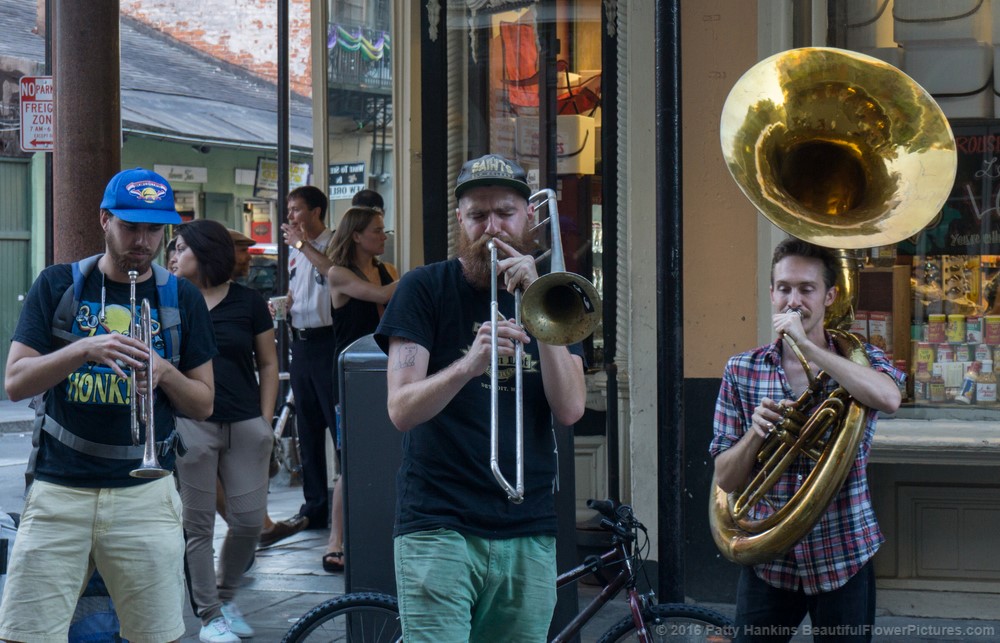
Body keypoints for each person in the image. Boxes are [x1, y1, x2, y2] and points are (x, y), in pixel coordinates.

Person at [374, 153, 586, 641]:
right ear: (460, 222)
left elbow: (571, 408)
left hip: (528, 523)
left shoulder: (556, 295)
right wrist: (469, 366)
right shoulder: (424, 288)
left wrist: (539, 302)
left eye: (506, 213)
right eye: (477, 216)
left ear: (529, 217)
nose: (493, 228)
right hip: (438, 522)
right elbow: (401, 409)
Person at [0, 167, 217, 643]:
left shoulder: (180, 297)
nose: (143, 240)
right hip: (59, 489)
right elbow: (15, 382)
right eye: (130, 226)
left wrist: (164, 372)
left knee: (155, 634)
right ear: (104, 220)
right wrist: (83, 349)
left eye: (154, 229)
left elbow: (202, 404)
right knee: (26, 632)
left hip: (145, 491)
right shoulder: (57, 285)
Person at [710, 237, 905, 643]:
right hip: (770, 560)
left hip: (843, 552)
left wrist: (811, 351)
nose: (792, 300)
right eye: (783, 288)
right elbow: (726, 480)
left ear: (829, 296)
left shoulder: (861, 358)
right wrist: (755, 434)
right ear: (770, 293)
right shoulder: (741, 369)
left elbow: (888, 398)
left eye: (806, 289)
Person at [171, 219, 278, 643]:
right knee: (197, 528)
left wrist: (265, 422)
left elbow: (268, 363)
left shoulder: (248, 302)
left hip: (245, 423)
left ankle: (226, 594)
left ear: (205, 252)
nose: (173, 256)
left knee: (249, 522)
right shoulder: (171, 300)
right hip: (191, 423)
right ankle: (211, 616)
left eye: (181, 248)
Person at [322, 205, 398, 573]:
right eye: (377, 230)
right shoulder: (338, 273)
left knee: (382, 449)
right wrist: (421, 279)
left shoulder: (387, 270)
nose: (384, 236)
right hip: (348, 373)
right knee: (348, 457)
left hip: (382, 367)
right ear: (356, 235)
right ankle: (335, 541)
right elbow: (381, 295)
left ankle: (377, 527)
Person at [262, 185, 337, 544]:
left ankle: (345, 500)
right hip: (301, 342)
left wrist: (300, 244)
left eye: (296, 209)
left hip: (329, 342)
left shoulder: (332, 242)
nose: (290, 217)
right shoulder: (295, 253)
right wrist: (284, 306)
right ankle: (315, 505)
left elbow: (333, 273)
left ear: (317, 211)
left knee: (337, 428)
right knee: (306, 428)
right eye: (289, 210)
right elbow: (303, 290)